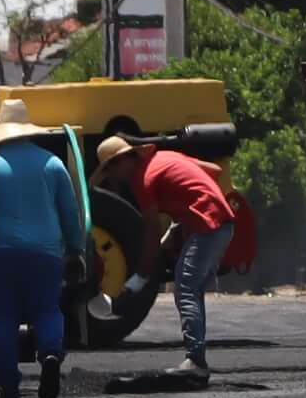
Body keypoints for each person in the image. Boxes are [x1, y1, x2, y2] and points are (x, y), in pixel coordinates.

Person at [96, 132, 255, 382]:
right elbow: (212, 170)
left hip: (209, 223)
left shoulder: (143, 179)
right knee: (193, 288)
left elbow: (150, 230)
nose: (115, 178)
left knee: (186, 287)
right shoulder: (165, 158)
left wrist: (140, 277)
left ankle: (195, 361)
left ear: (123, 160)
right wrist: (177, 223)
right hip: (221, 223)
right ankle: (196, 357)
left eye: (111, 170)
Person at [0, 105, 82, 398]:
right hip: (47, 255)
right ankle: (50, 354)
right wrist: (76, 250)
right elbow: (70, 213)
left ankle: (9, 387)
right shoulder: (53, 164)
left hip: (4, 255)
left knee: (3, 318)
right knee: (47, 310)